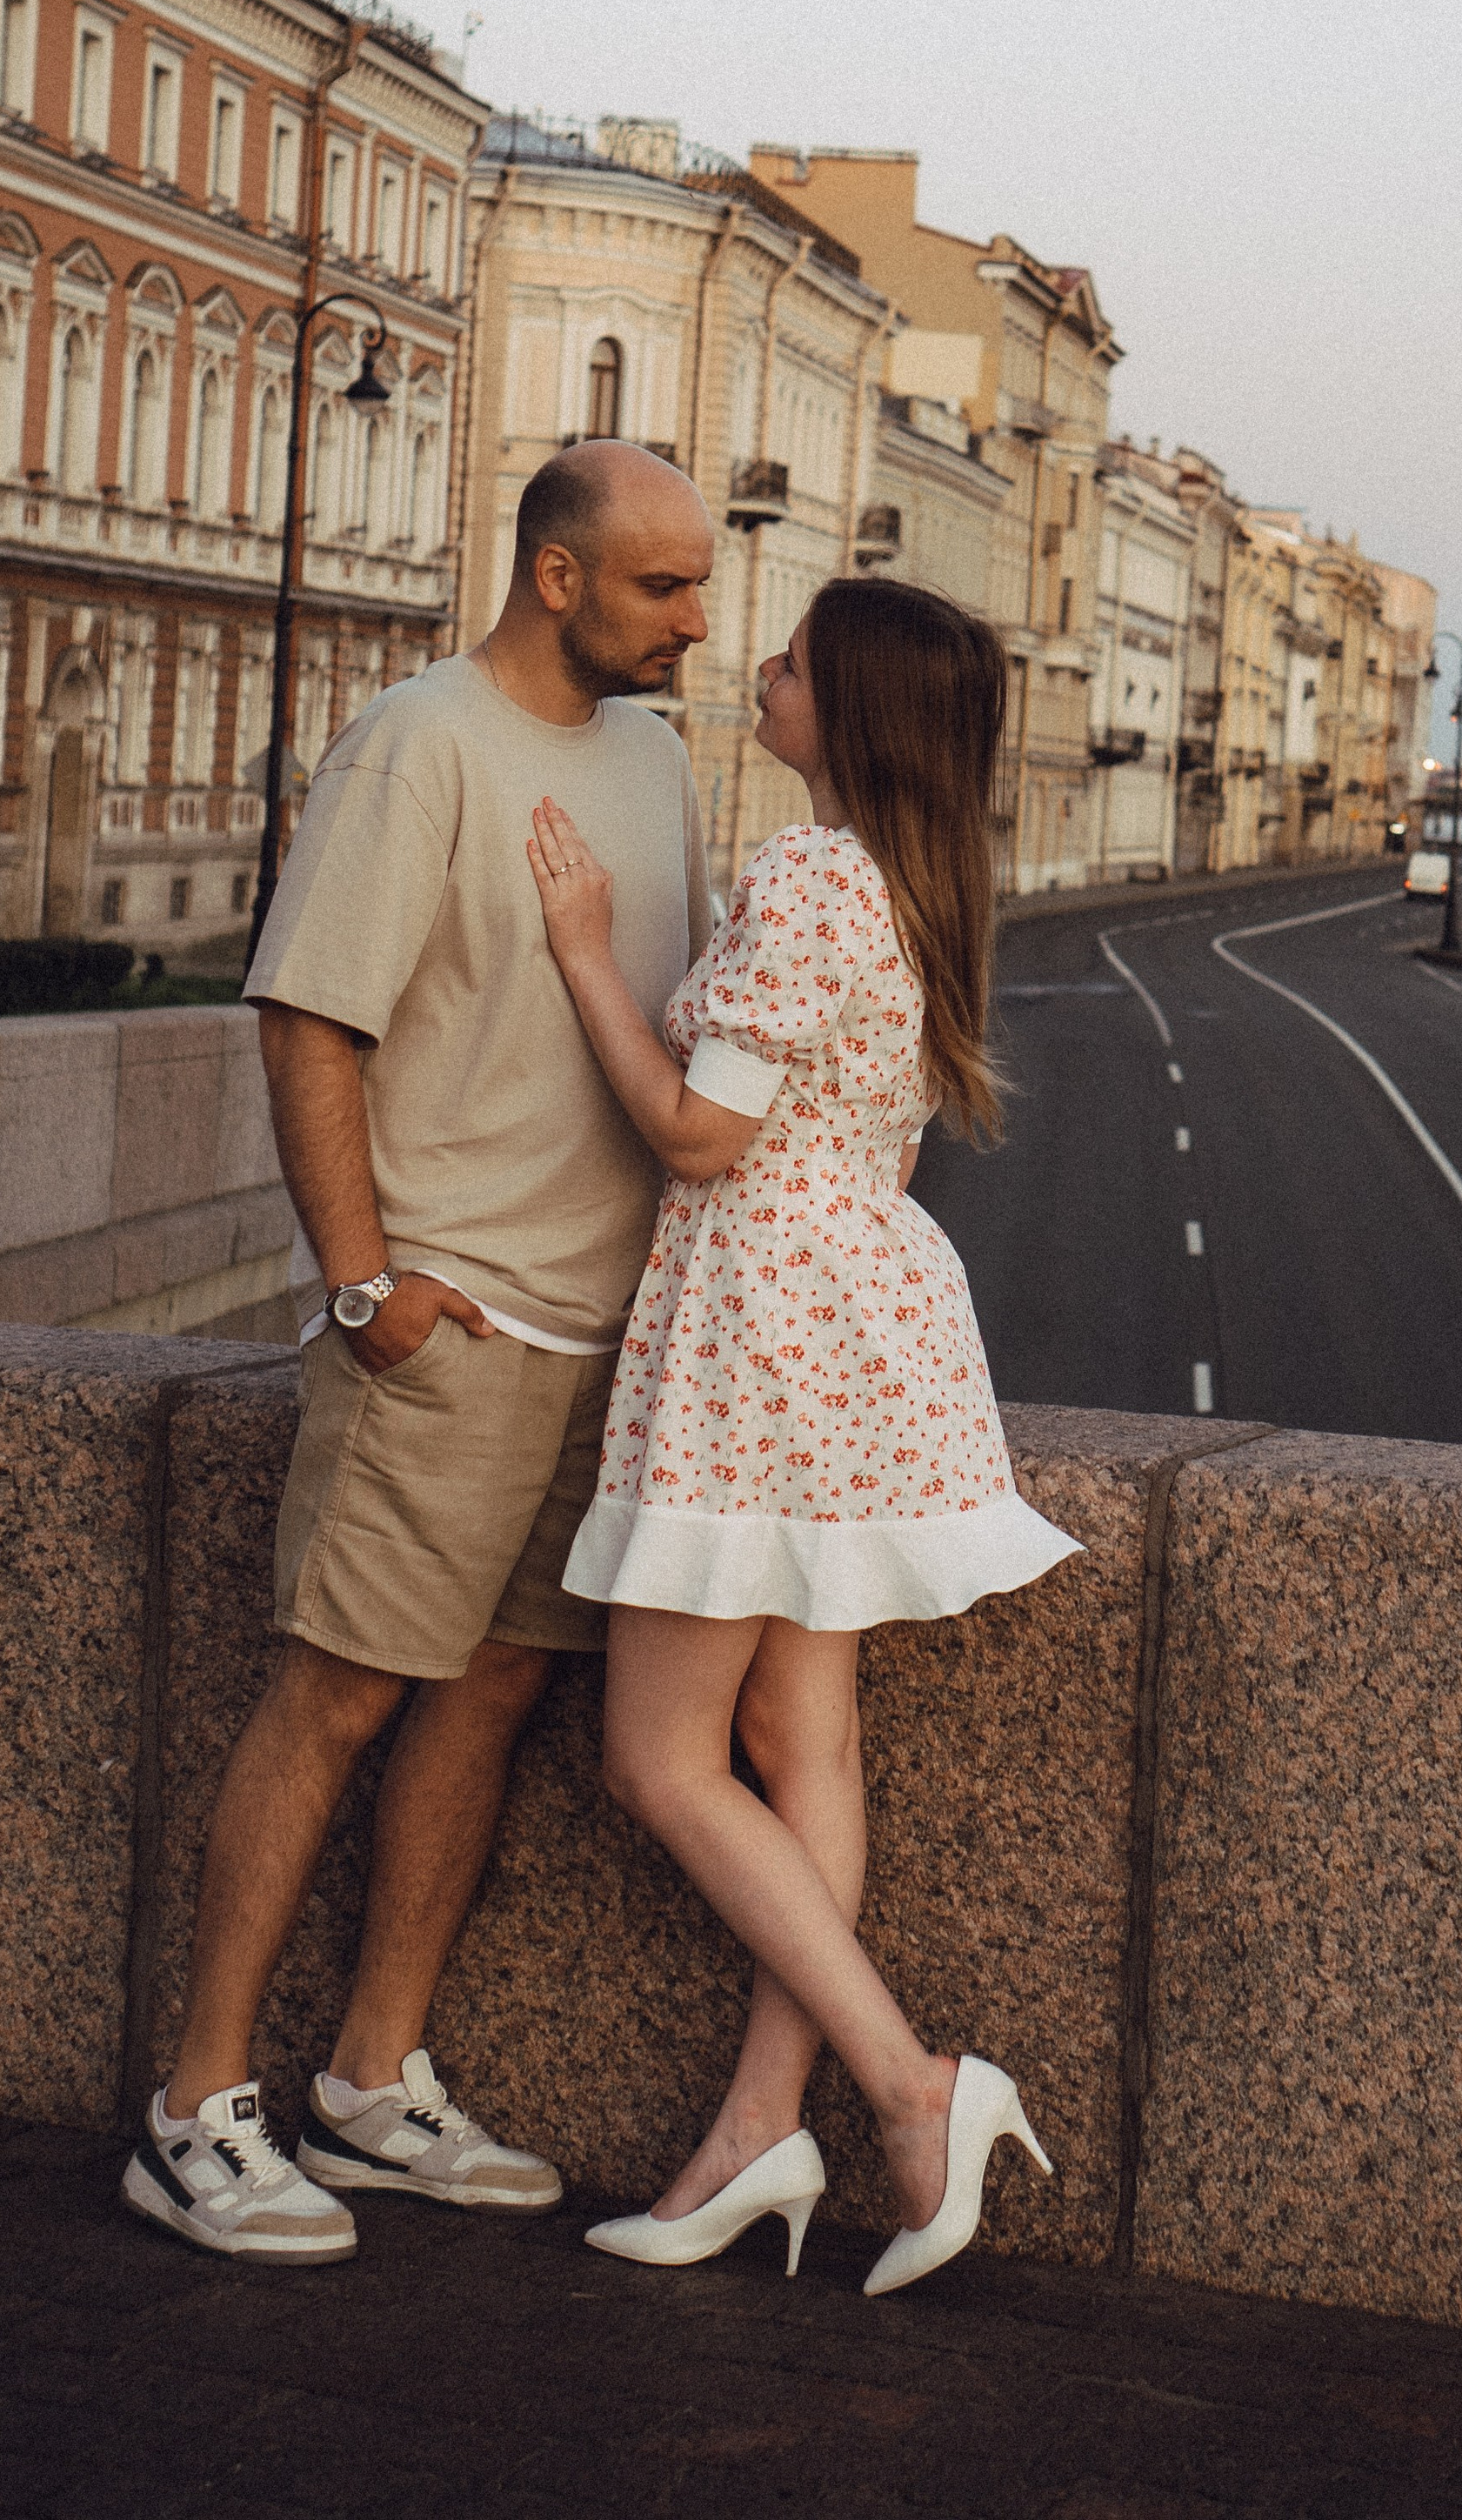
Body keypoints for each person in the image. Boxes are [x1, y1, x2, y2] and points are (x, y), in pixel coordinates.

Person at [121, 441, 717, 2263]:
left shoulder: (656, 754)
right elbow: (310, 1022)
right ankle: (193, 2109)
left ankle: (373, 2084)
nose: (697, 620)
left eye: (697, 586)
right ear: (555, 576)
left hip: (603, 1329)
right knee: (338, 1693)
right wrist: (368, 1286)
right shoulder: (416, 743)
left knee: (492, 1694)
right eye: (660, 588)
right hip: (447, 1327)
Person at [524, 575, 1079, 2298]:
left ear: (846, 709)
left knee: (661, 1761)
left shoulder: (811, 877)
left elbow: (696, 1136)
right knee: (800, 1742)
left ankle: (911, 2088)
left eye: (788, 660)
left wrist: (577, 953)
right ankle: (756, 2129)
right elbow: (875, 1144)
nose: (754, 669)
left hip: (758, 1332)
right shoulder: (916, 888)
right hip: (860, 1326)